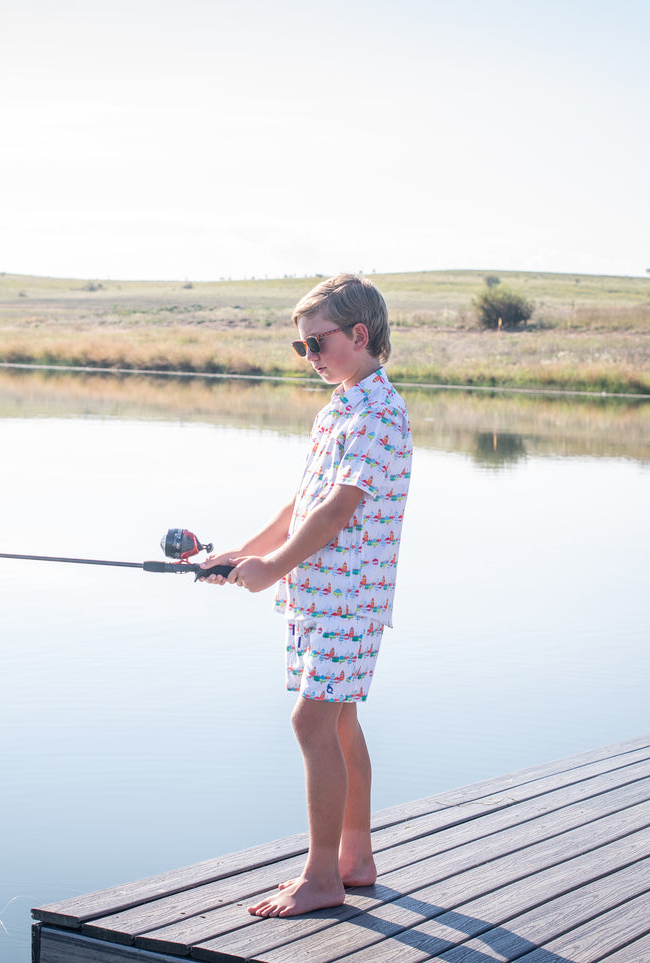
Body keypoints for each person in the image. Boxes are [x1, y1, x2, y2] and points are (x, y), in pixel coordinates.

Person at [201, 273, 413, 918]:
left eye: (317, 343)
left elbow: (338, 512)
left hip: (348, 597)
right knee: (340, 720)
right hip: (320, 593)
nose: (311, 357)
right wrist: (246, 552)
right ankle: (355, 859)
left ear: (359, 334)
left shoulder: (378, 412)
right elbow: (303, 503)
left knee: (310, 720)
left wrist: (271, 568)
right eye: (302, 348)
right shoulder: (341, 407)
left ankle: (322, 877)